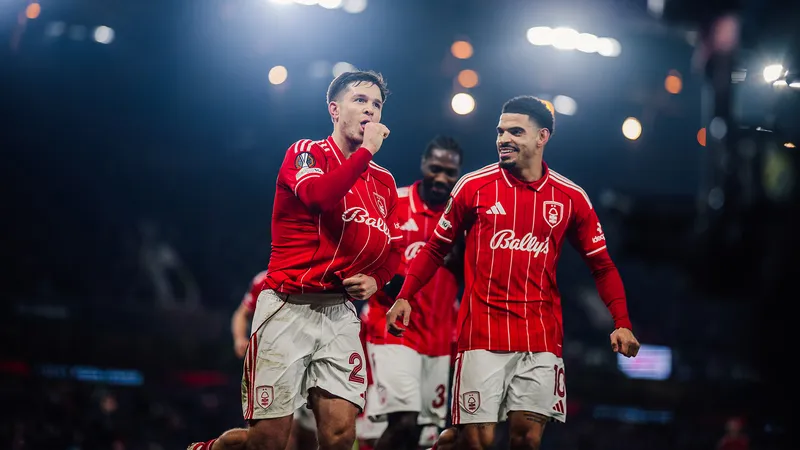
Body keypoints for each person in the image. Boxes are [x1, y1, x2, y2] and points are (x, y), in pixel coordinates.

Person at [387, 96, 641, 450]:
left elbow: (602, 265)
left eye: (515, 132)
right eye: (500, 131)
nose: (504, 138)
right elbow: (434, 249)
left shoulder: (571, 197)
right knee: (477, 442)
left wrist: (622, 321)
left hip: (541, 340)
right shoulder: (473, 186)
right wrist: (405, 297)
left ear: (542, 137)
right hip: (481, 336)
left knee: (527, 440)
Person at [189, 70, 402, 450]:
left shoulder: (384, 182)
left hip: (339, 315)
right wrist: (366, 152)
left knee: (340, 436)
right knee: (269, 441)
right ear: (334, 110)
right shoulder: (306, 152)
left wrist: (377, 280)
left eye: (377, 104)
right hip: (287, 308)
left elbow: (395, 250)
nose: (370, 109)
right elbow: (319, 197)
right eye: (360, 100)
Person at [363, 135, 464, 450]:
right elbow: (363, 256)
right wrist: (397, 285)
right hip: (392, 331)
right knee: (403, 421)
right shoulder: (394, 202)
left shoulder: (462, 218)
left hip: (438, 339)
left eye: (450, 172)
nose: (442, 178)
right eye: (435, 168)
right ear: (423, 164)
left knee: (423, 437)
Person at [230, 271, 318, 450]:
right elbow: (242, 313)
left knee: (311, 435)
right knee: (274, 431)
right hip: (273, 365)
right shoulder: (264, 280)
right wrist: (239, 339)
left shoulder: (316, 278)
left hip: (309, 366)